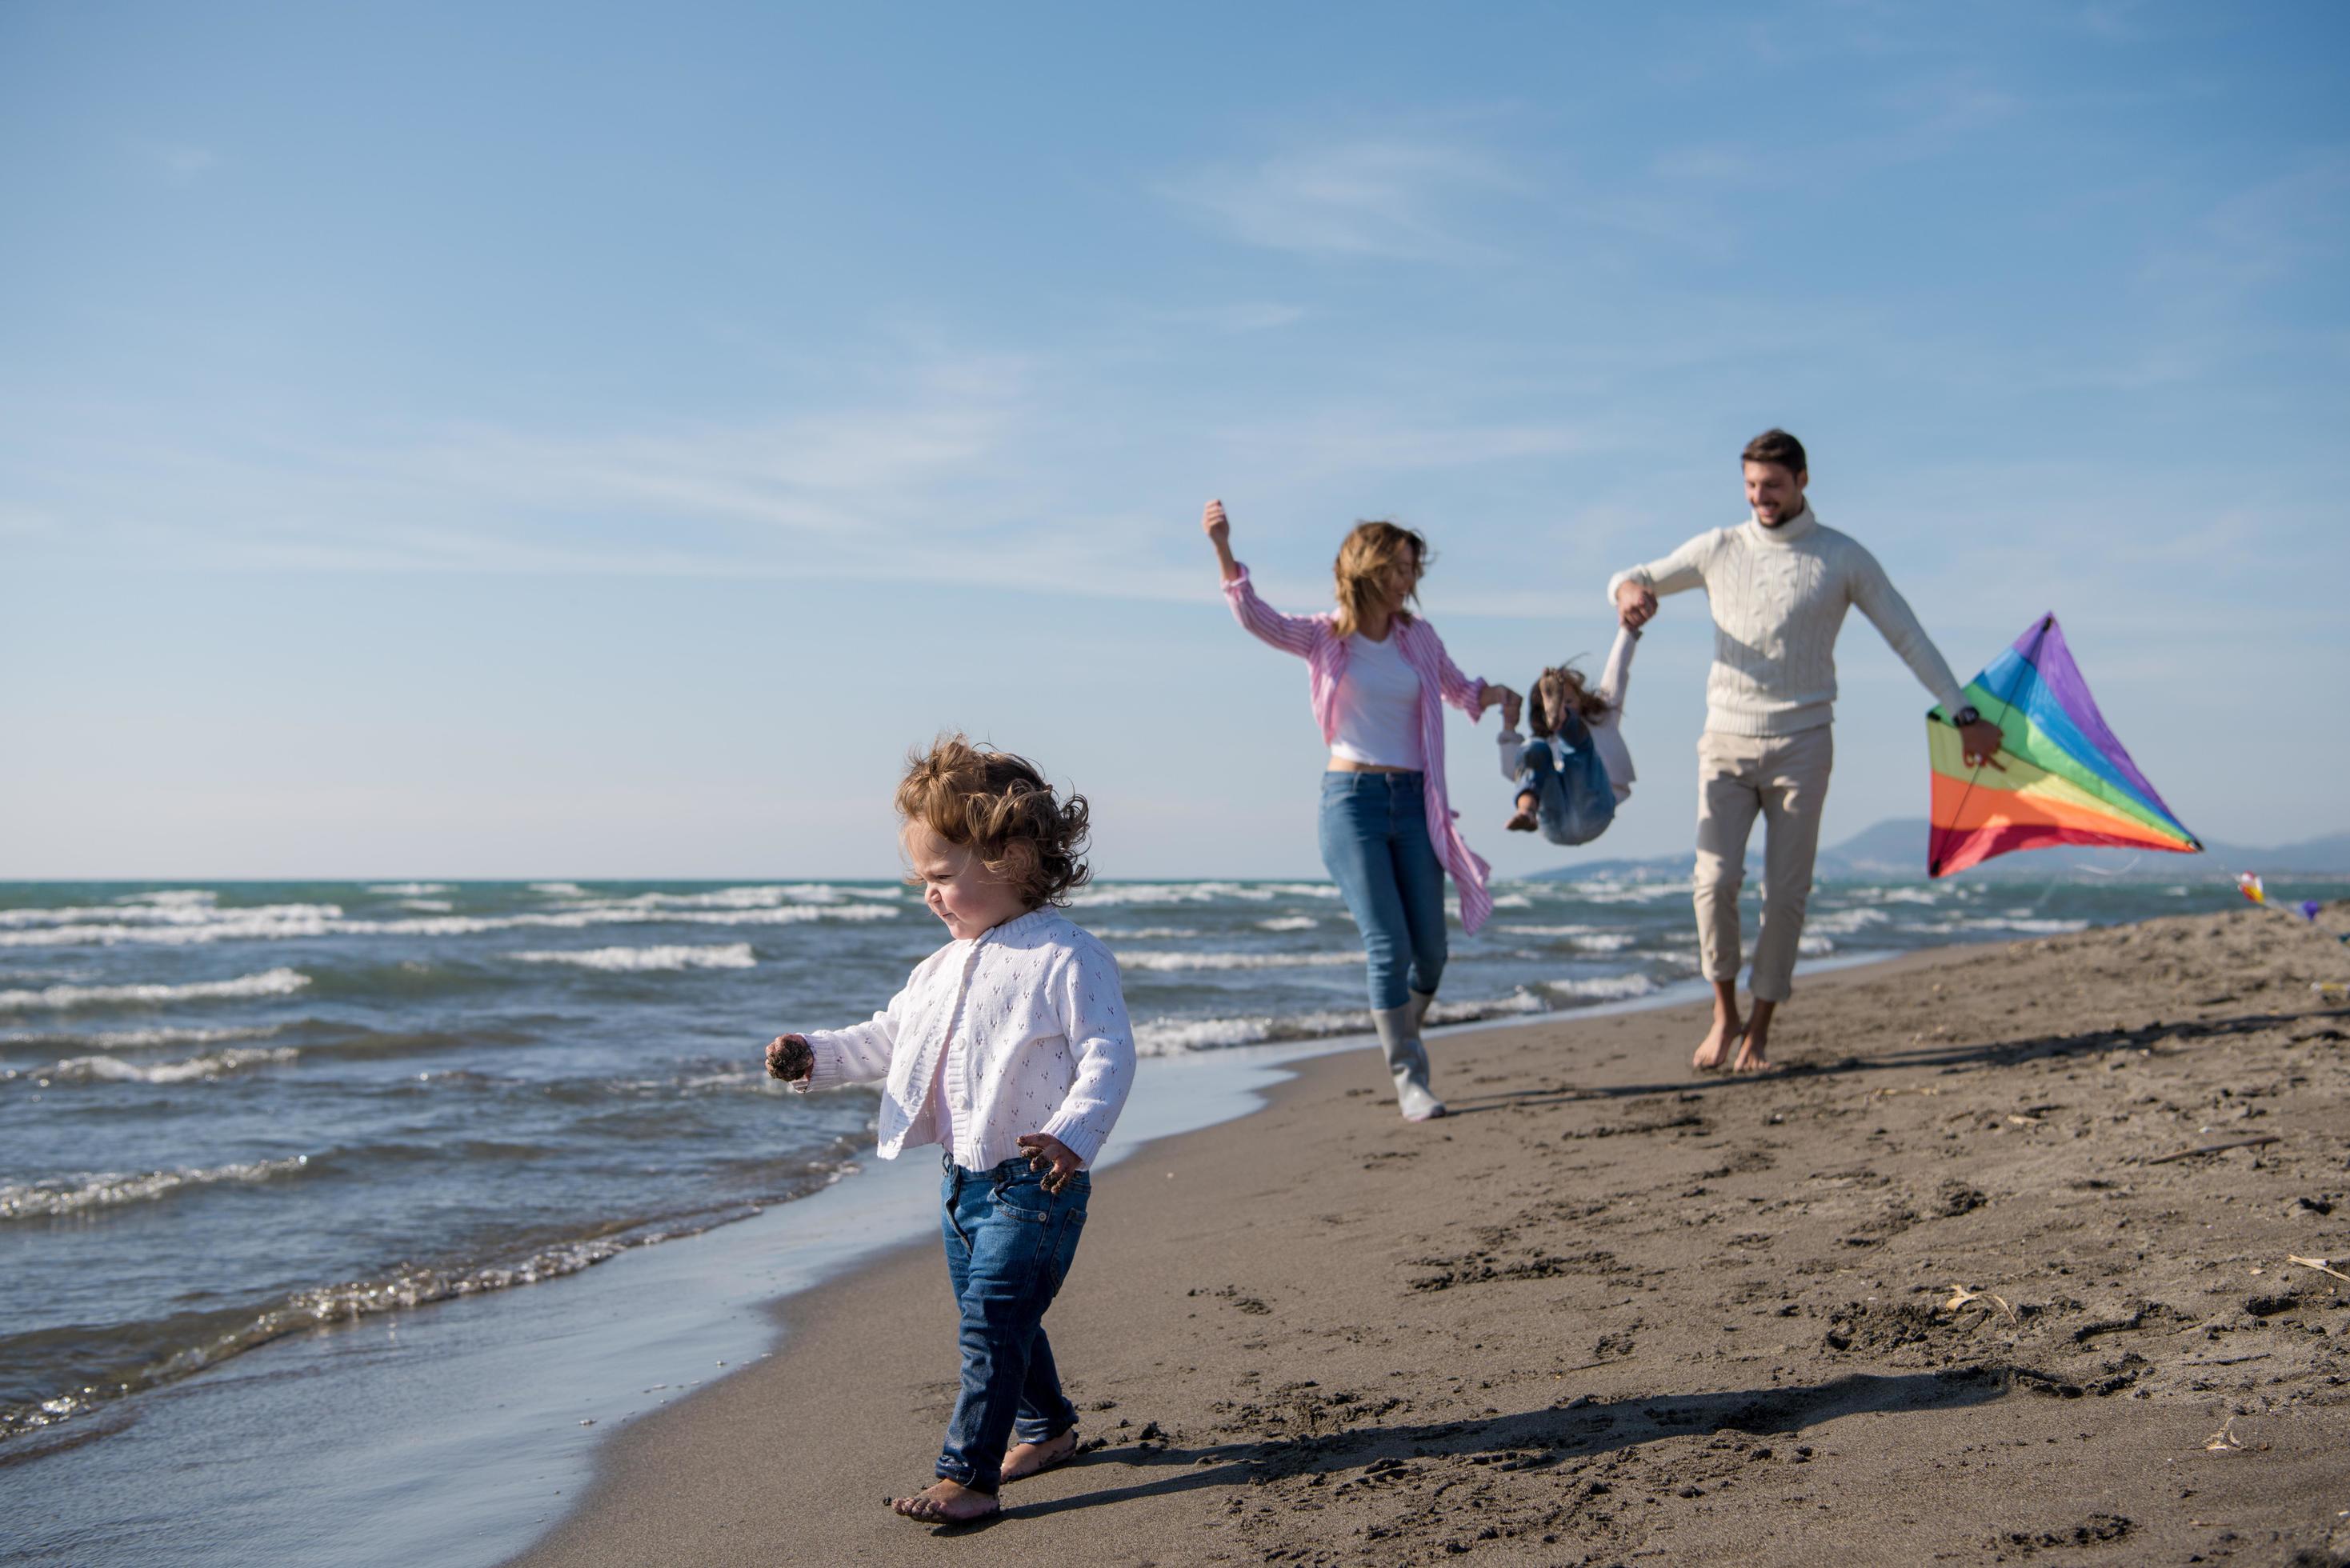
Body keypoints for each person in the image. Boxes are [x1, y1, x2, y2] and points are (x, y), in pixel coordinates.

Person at [763, 735, 1134, 1526]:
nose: (928, 894)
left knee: (994, 1321)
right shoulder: (936, 971)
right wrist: (813, 1058)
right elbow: (886, 1038)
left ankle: (967, 1476)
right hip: (964, 1186)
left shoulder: (1067, 954)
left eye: (940, 875)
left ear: (1008, 854)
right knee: (1000, 1320)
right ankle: (1049, 1429)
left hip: (1041, 1181)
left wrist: (1074, 1131)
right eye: (921, 879)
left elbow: (1109, 1052)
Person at [1609, 430, 2004, 1074]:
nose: (1760, 498)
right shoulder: (1718, 547)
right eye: (1750, 487)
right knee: (1712, 883)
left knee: (1785, 894)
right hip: (1724, 742)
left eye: (1772, 486)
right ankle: (1722, 1010)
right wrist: (1628, 593)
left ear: (1802, 481)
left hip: (1802, 744)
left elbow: (1908, 635)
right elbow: (1632, 577)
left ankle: (1759, 1029)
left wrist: (1962, 713)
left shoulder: (1840, 557)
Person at [1203, 498, 1516, 1122]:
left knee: (1430, 951)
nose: (1408, 581)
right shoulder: (1325, 635)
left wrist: (1495, 695)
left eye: (1412, 570)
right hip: (1351, 804)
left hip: (1416, 803)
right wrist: (1222, 550)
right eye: (1399, 567)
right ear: (1367, 568)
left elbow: (1457, 688)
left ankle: (1402, 1033)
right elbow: (1257, 619)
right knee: (1388, 945)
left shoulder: (1419, 640)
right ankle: (1408, 1076)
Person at [1496, 615, 1641, 841]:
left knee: (1580, 747)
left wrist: (1628, 631)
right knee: (1533, 750)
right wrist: (1509, 726)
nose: (1566, 705)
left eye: (1568, 702)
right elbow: (1512, 770)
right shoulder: (1543, 744)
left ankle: (1562, 723)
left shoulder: (1602, 720)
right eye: (1558, 702)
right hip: (1554, 821)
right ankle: (1526, 810)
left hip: (1595, 810)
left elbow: (1617, 673)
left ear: (1583, 701)